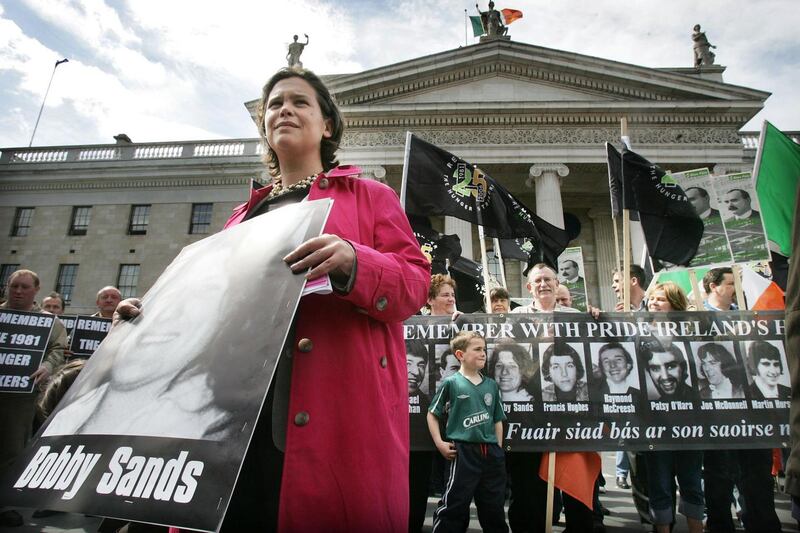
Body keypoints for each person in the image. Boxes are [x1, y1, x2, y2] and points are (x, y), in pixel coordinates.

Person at [118, 67, 430, 531]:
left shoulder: (370, 197)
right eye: (275, 104)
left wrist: (354, 260)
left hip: (333, 418)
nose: (285, 109)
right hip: (230, 424)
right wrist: (152, 319)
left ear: (327, 126)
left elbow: (415, 285)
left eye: (300, 102)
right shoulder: (241, 217)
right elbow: (211, 312)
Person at [0, 269, 67, 528]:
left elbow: (58, 348)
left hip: (21, 396)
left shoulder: (49, 322)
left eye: (24, 287)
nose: (18, 291)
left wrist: (47, 366)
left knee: (12, 447)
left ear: (36, 290)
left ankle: (4, 504)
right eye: (14, 286)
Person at [428, 331, 507, 533]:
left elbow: (497, 419)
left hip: (491, 454)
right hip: (462, 452)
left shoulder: (491, 385)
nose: (483, 353)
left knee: (494, 509)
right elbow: (432, 414)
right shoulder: (451, 382)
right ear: (460, 355)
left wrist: (497, 448)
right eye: (477, 349)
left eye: (484, 349)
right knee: (454, 506)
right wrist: (439, 443)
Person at [640, 339, 704, 533]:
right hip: (657, 441)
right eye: (655, 368)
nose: (665, 376)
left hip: (691, 440)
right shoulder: (647, 404)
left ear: (683, 368)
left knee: (692, 487)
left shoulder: (700, 398)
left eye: (670, 366)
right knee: (659, 489)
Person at [512, 263, 579, 314]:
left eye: (547, 279)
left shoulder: (575, 315)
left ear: (556, 284)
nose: (543, 284)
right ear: (530, 287)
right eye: (538, 280)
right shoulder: (517, 315)